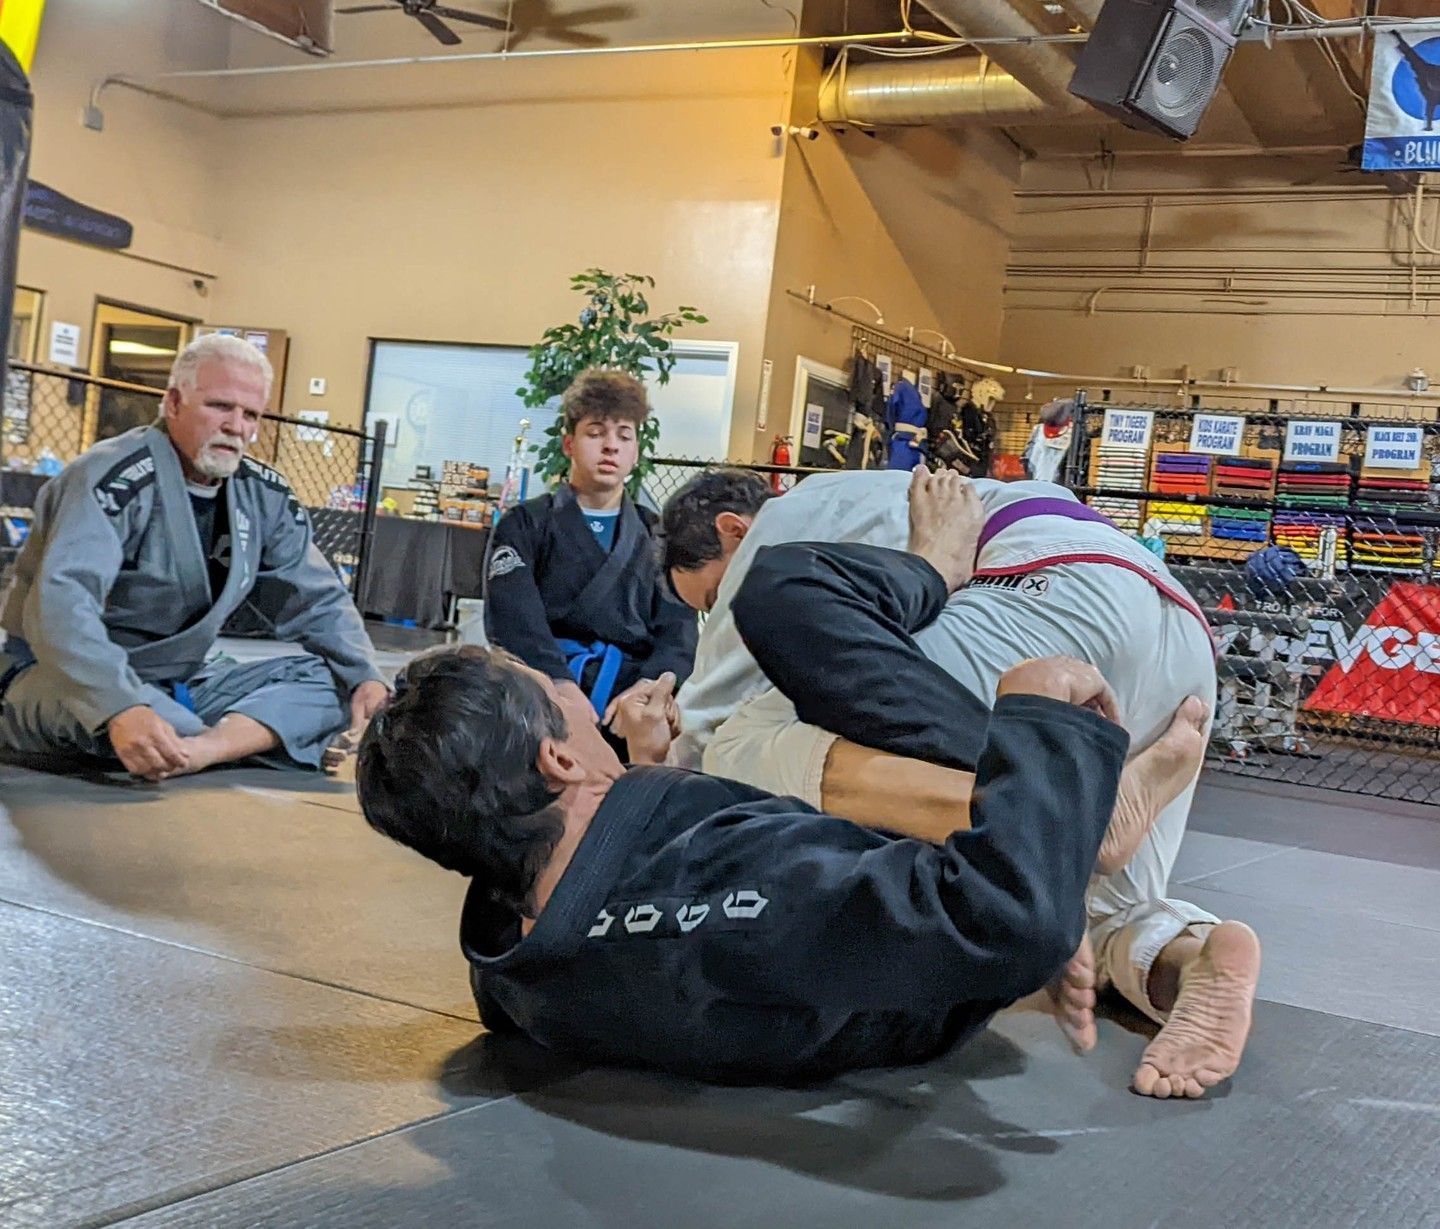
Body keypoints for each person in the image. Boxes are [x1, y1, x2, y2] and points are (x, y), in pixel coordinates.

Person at [357, 501, 1142, 1084]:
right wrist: (1041, 714)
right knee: (783, 592)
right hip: (943, 931)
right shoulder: (727, 880)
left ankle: (1067, 831)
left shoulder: (508, 969)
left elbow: (597, 906)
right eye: (552, 689)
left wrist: (642, 773)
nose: (571, 691)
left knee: (747, 728)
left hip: (843, 927)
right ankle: (1065, 805)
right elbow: (1005, 922)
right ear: (559, 760)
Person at [661, 467, 1260, 1100]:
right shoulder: (914, 494)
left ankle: (1084, 814)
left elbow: (716, 703)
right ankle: (1192, 959)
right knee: (1089, 906)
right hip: (1179, 636)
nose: (715, 618)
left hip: (1048, 600)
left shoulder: (796, 512)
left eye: (709, 598)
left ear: (735, 532)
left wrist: (654, 775)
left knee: (743, 741)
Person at [0, 334, 389, 780]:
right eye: (220, 407)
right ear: (173, 403)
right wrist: (119, 703)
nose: (236, 427)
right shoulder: (111, 477)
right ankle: (237, 740)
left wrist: (365, 675)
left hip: (180, 682)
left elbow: (316, 600)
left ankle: (203, 749)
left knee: (336, 686)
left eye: (250, 415)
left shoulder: (264, 494)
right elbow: (59, 611)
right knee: (157, 724)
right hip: (60, 677)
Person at [483, 369, 697, 732]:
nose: (610, 445)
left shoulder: (658, 533)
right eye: (595, 433)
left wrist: (650, 688)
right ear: (569, 445)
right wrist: (559, 685)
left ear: (636, 452)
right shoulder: (525, 524)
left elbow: (679, 630)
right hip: (541, 696)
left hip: (630, 704)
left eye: (624, 435)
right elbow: (514, 619)